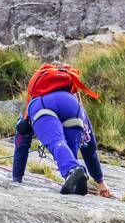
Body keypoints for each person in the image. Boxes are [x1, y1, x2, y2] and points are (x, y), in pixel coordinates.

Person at [12, 63, 112, 197]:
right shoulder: (74, 99)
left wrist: (17, 177)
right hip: (72, 107)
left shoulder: (34, 100)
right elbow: (90, 149)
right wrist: (100, 181)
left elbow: (21, 143)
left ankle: (74, 170)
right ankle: (76, 180)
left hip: (43, 106)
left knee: (56, 142)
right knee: (69, 152)